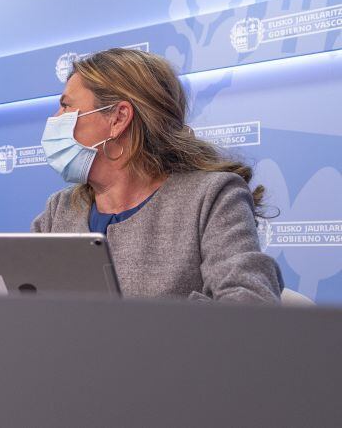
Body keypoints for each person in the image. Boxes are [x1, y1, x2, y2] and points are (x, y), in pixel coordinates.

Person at [33, 48, 281, 302]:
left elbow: (251, 303)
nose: (55, 118)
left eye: (65, 106)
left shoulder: (211, 198)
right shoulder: (60, 210)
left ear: (118, 118)